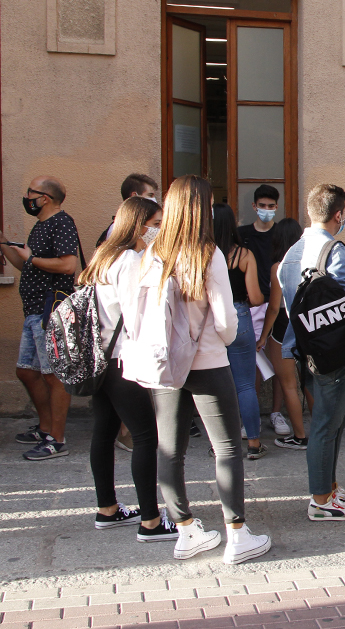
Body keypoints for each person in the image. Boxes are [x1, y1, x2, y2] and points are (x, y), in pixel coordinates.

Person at [142, 175, 271, 564]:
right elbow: (227, 320)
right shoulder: (207, 253)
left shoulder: (153, 252)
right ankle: (236, 534)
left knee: (171, 447)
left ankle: (185, 531)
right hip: (207, 361)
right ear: (200, 207)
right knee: (228, 446)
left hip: (164, 363)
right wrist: (226, 338)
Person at [80, 196, 178, 542]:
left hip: (99, 359)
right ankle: (150, 521)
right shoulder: (131, 260)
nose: (159, 230)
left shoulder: (103, 255)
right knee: (146, 437)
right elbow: (136, 313)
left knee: (104, 432)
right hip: (123, 360)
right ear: (139, 226)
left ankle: (107, 508)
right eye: (156, 223)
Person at [279, 183, 345, 521]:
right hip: (333, 349)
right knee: (325, 422)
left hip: (305, 348)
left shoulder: (292, 253)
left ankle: (328, 487)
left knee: (333, 418)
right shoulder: (334, 250)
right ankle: (321, 499)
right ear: (338, 215)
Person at [2, 176, 81, 460]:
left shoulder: (61, 223)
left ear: (44, 198)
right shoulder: (41, 225)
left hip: (51, 311)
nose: (26, 197)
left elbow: (68, 264)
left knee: (53, 376)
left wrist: (31, 259)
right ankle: (46, 428)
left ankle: (56, 440)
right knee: (27, 371)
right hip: (35, 311)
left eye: (30, 193)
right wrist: (4, 244)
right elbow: (27, 265)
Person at [213, 204, 267, 459]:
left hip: (210, 321)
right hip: (239, 317)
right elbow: (256, 298)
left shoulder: (202, 255)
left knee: (215, 385)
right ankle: (254, 443)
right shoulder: (244, 255)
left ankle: (220, 443)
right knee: (245, 384)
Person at [256, 218, 308, 449]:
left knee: (289, 385)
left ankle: (300, 436)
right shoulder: (310, 261)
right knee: (309, 383)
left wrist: (263, 336)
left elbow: (274, 307)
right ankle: (319, 434)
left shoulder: (279, 266)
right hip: (308, 328)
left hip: (282, 330)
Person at [236, 185, 282, 433]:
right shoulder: (241, 234)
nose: (266, 210)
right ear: (254, 206)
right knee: (251, 362)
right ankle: (249, 417)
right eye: (262, 206)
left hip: (276, 305)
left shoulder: (281, 235)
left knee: (279, 362)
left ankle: (276, 413)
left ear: (277, 207)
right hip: (249, 304)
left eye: (271, 206)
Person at [96, 173, 159, 247]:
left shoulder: (145, 226)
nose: (154, 200)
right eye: (150, 195)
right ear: (135, 196)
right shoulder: (118, 229)